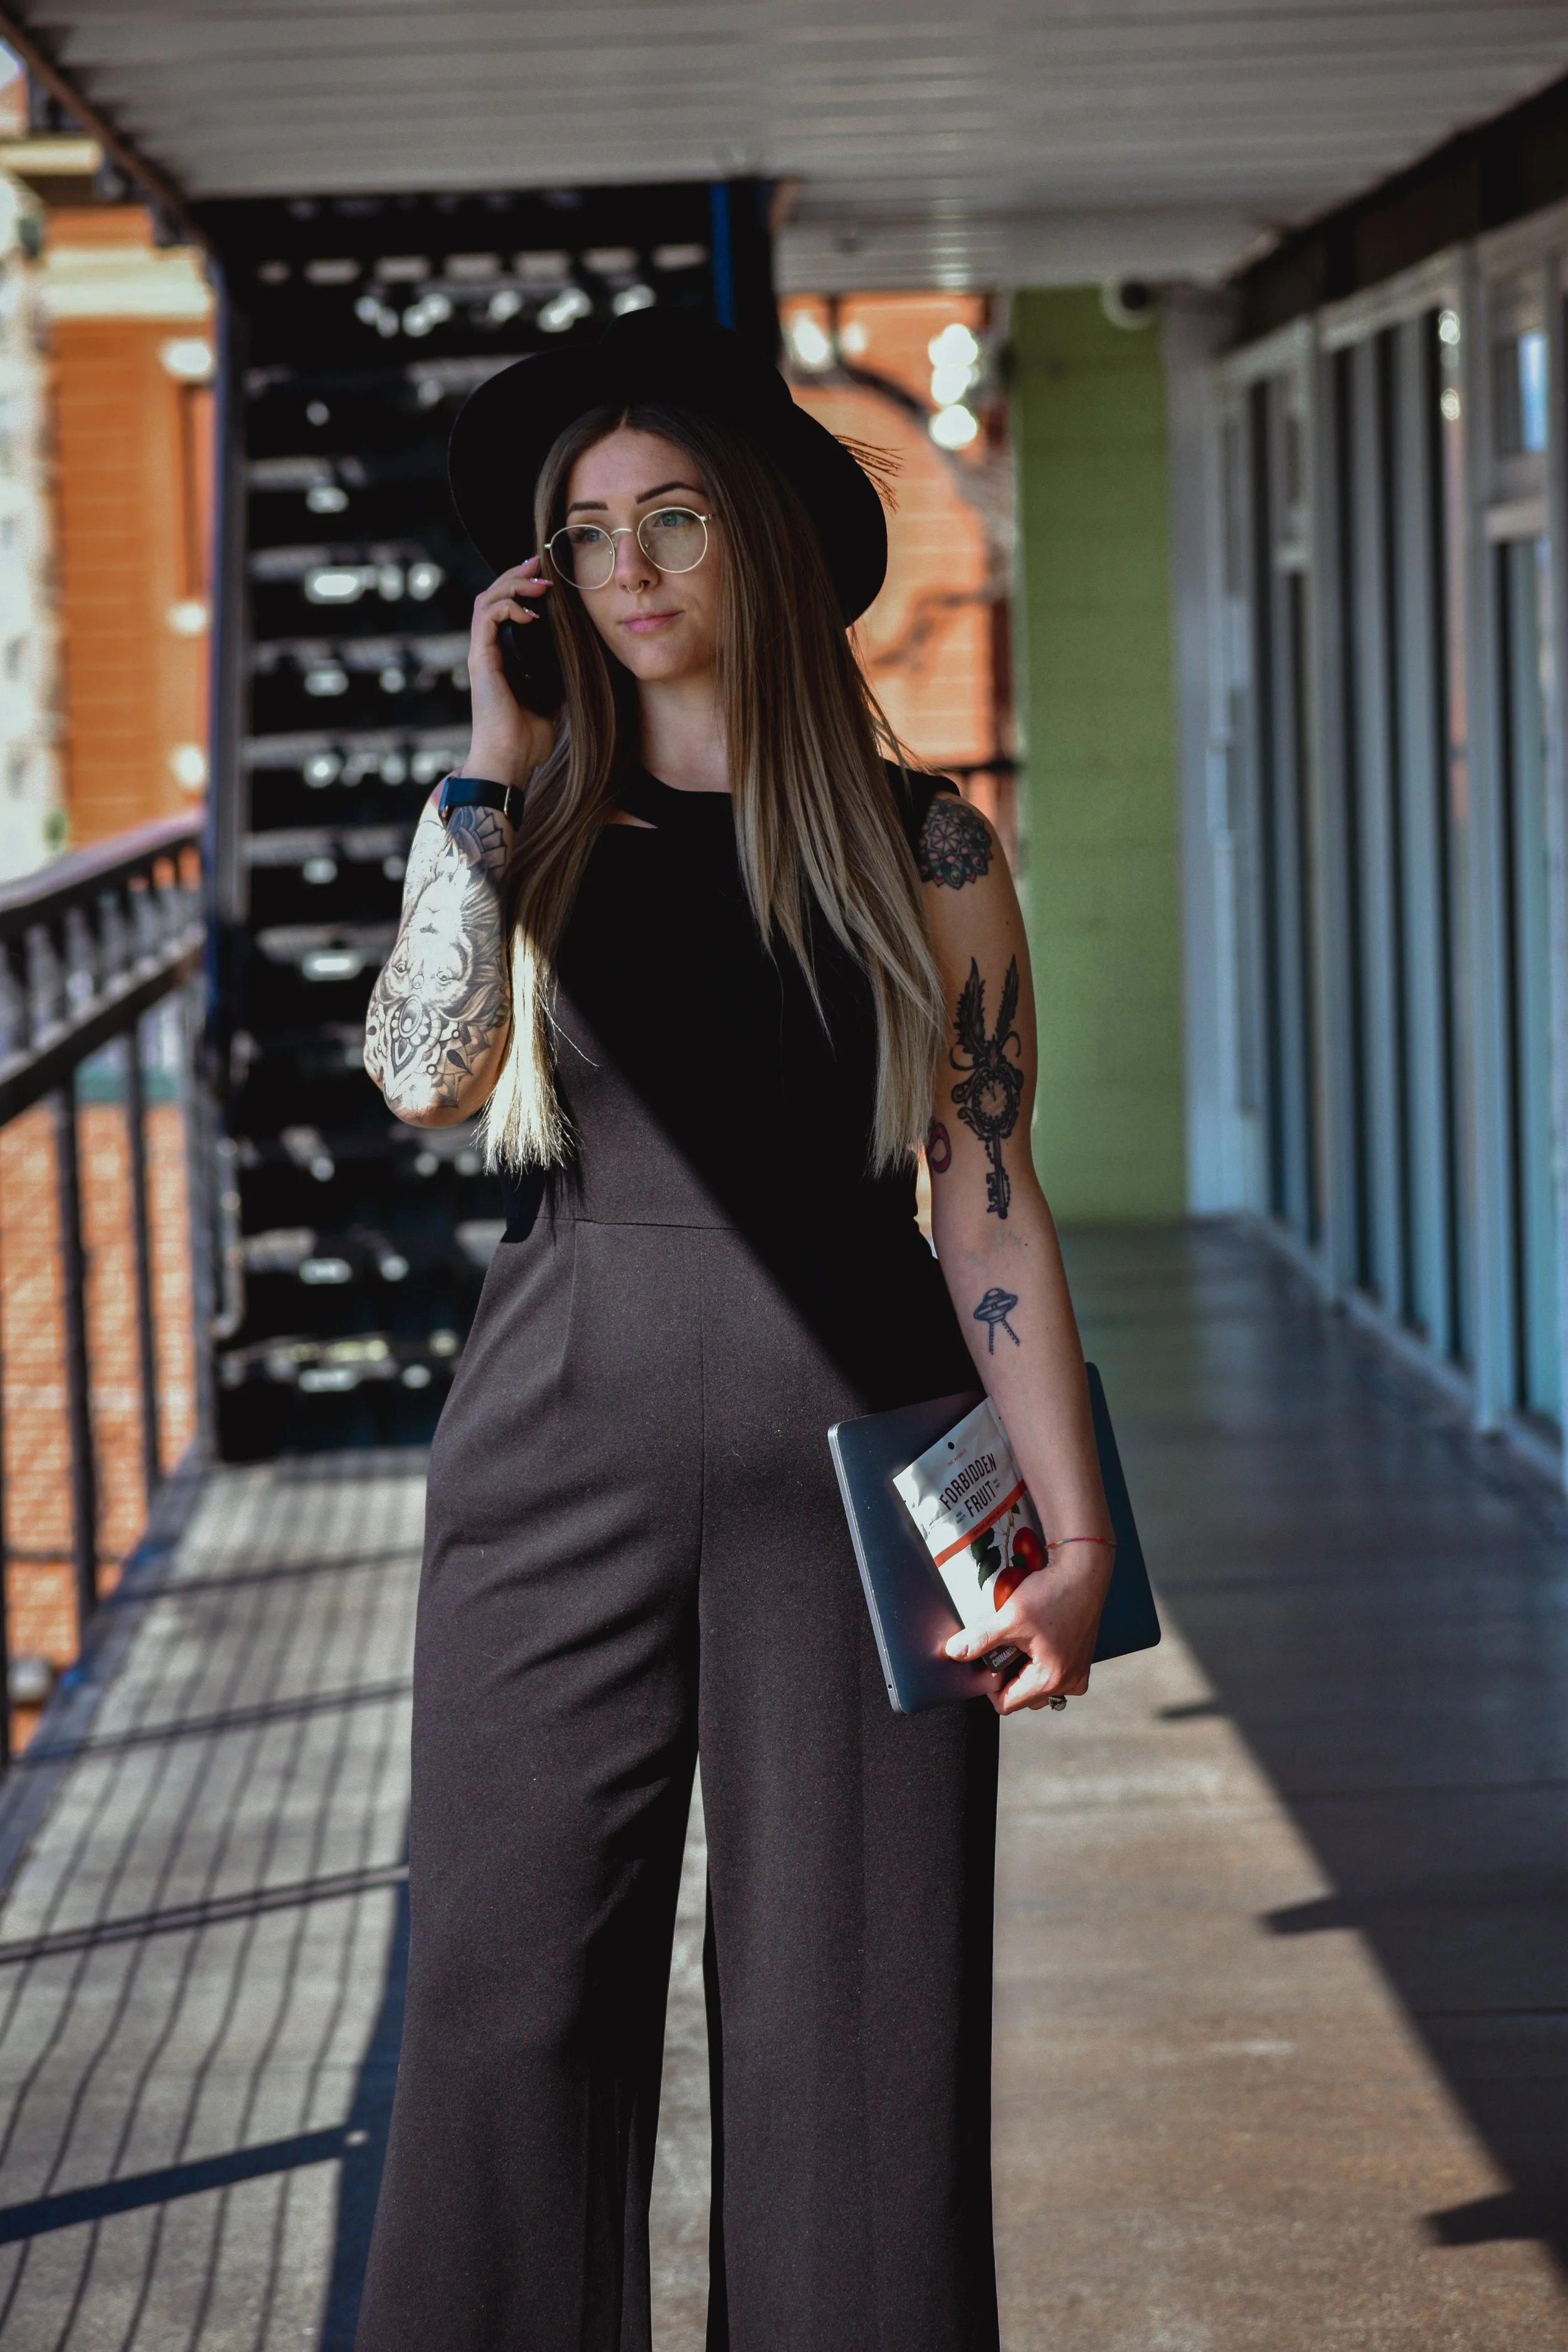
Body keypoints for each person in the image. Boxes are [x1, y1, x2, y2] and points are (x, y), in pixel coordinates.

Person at [356, 310, 1113, 2352]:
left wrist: (1075, 1531)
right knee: (505, 1995)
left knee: (860, 2030)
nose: (628, 568)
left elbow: (983, 1185)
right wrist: (488, 763)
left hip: (867, 1462)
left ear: (758, 534)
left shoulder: (922, 842)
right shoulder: (524, 823)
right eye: (586, 533)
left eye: (671, 518)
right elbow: (422, 1078)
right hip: (554, 1450)